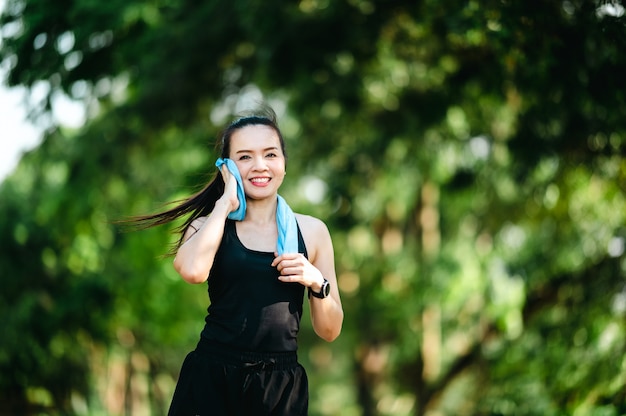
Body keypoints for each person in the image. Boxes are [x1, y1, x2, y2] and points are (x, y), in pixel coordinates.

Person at [133, 105, 343, 415]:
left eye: (271, 155)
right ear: (227, 167)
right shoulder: (209, 226)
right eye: (245, 157)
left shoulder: (312, 232)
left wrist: (316, 282)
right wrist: (225, 203)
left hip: (279, 387)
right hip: (213, 378)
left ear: (284, 163)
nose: (260, 165)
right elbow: (192, 271)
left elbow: (330, 331)